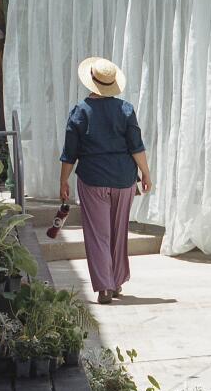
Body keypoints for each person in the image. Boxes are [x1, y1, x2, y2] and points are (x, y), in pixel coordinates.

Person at [59, 56, 152, 304]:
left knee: (98, 234)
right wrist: (146, 173)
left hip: (92, 179)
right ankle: (117, 280)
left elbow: (70, 153)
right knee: (118, 231)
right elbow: (136, 147)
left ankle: (104, 287)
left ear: (91, 82)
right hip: (123, 179)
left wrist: (63, 181)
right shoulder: (126, 109)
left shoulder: (80, 112)